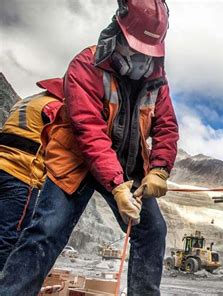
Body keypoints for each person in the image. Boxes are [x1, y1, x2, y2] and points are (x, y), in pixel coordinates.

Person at [0, 1, 179, 295]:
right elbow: (89, 132)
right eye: (136, 48)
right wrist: (117, 186)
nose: (141, 57)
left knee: (152, 231)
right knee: (47, 230)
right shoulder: (86, 65)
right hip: (77, 160)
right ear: (119, 32)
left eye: (149, 50)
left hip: (126, 165)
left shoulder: (157, 79)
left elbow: (167, 126)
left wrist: (160, 168)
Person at [0, 82, 62, 269]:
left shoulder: (27, 101)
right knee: (9, 237)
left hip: (3, 165)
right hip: (21, 174)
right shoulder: (55, 107)